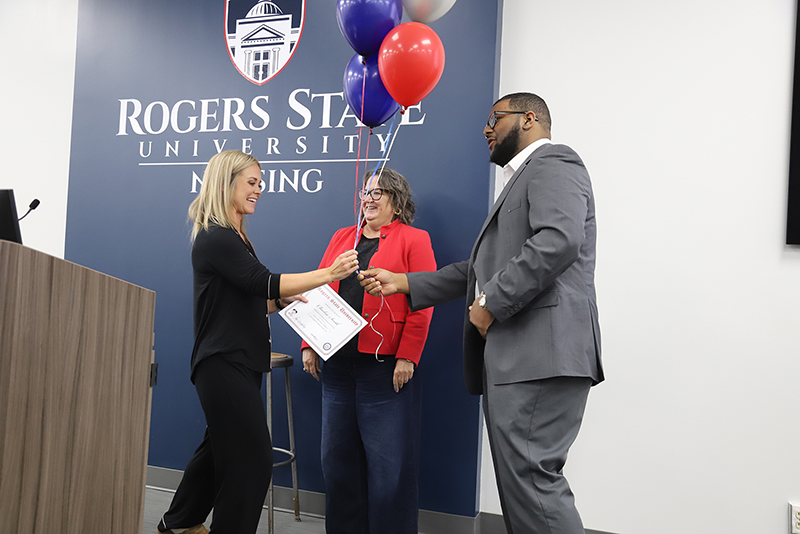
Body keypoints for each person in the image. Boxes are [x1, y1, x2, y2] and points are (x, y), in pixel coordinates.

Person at [360, 93, 604, 534]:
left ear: (529, 119)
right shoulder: (521, 180)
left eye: (495, 118)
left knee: (532, 482)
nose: (486, 129)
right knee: (522, 488)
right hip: (522, 359)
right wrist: (405, 282)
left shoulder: (554, 162)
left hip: (539, 355)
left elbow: (558, 241)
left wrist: (490, 303)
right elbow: (478, 269)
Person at [157, 150, 358, 534]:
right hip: (222, 362)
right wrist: (327, 274)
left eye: (260, 183)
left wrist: (281, 300)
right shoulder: (217, 237)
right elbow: (262, 281)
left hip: (239, 361)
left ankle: (177, 523)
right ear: (225, 183)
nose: (258, 190)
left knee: (217, 451)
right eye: (251, 182)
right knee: (251, 460)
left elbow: (252, 299)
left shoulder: (234, 238)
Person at [301, 167, 436, 534]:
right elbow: (319, 287)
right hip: (338, 368)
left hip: (385, 369)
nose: (369, 198)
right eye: (366, 191)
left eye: (378, 193)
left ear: (397, 201)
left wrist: (408, 355)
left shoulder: (414, 239)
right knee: (336, 461)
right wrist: (309, 343)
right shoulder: (343, 236)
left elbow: (423, 301)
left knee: (388, 467)